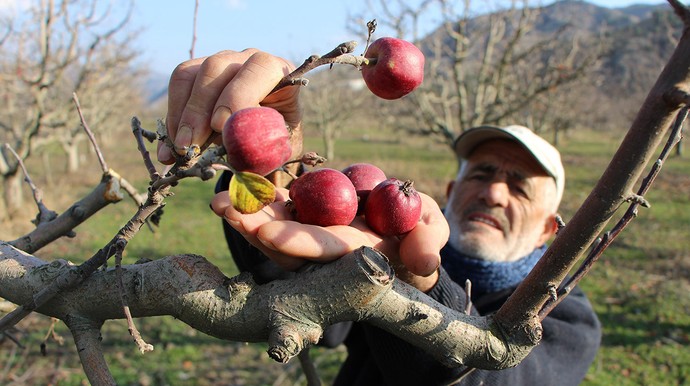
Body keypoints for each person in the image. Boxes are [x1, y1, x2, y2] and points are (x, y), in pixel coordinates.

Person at [161, 49, 601, 385]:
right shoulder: (375, 239)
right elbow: (302, 298)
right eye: (482, 173)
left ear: (550, 227)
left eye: (520, 186)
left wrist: (412, 282)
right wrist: (269, 161)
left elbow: (484, 379)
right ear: (450, 192)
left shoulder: (566, 323)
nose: (493, 192)